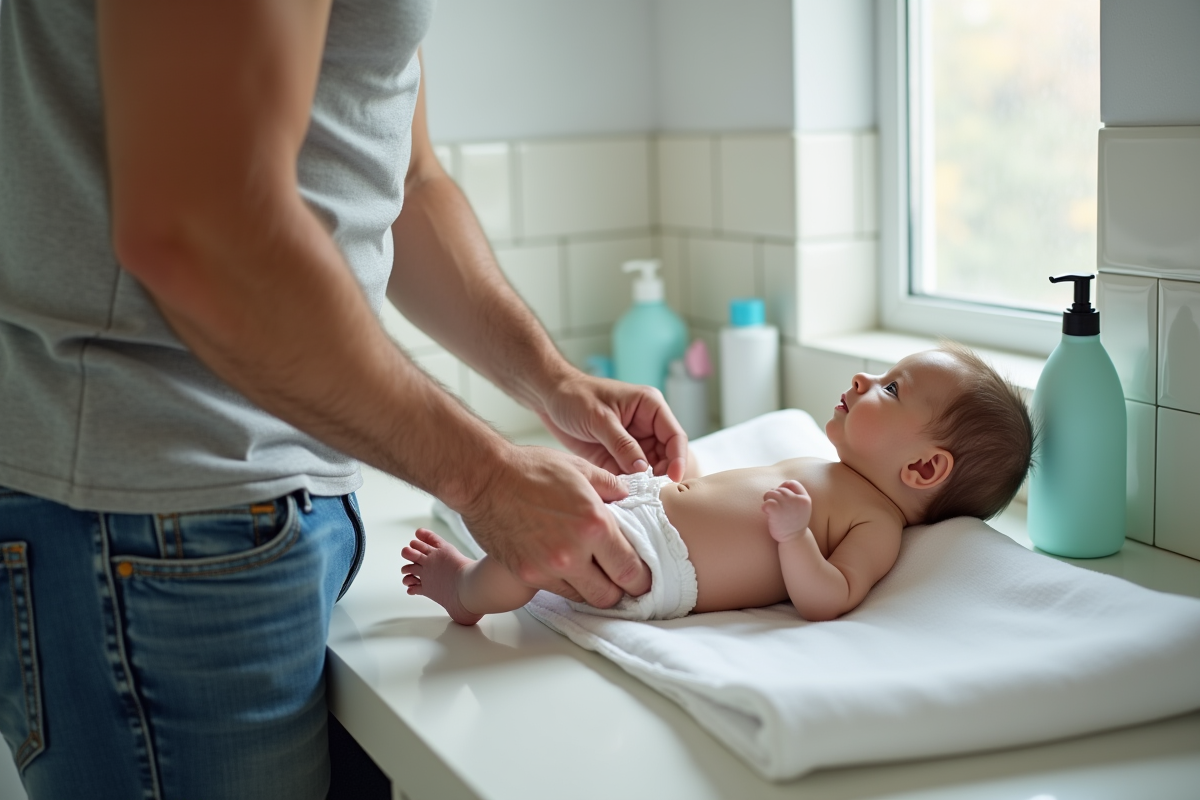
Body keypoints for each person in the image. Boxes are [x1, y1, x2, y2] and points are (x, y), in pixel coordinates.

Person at [0, 2, 684, 798]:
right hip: (158, 516)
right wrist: (487, 478)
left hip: (259, 509)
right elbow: (199, 227)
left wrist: (551, 380)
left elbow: (404, 175)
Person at [402, 345, 1035, 623]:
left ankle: (467, 590)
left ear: (923, 469)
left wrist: (795, 541)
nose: (866, 378)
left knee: (535, 558)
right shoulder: (830, 470)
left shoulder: (877, 524)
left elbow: (830, 597)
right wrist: (686, 480)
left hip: (655, 564)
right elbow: (730, 497)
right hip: (653, 516)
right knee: (547, 489)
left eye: (891, 389)